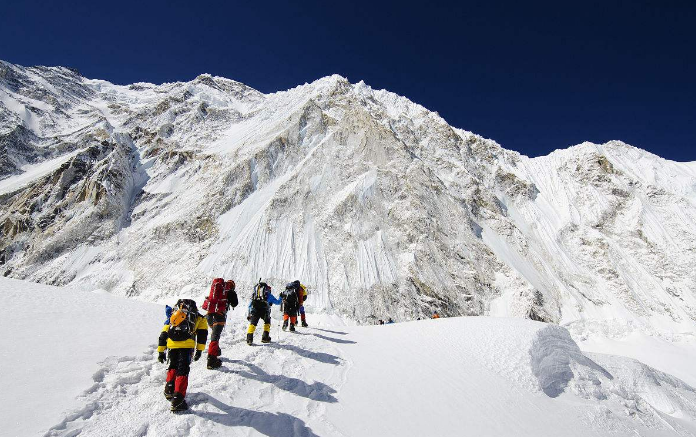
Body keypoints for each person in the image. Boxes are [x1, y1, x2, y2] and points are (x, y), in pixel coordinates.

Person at [157, 299, 208, 412]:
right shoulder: (199, 318)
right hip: (187, 346)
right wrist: (199, 350)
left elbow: (164, 333)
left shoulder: (173, 315)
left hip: (172, 345)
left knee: (173, 366)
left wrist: (161, 351)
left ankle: (169, 390)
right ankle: (178, 400)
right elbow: (202, 335)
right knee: (183, 371)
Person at [203, 278, 238, 369]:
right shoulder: (230, 292)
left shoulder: (217, 289)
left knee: (214, 334)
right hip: (219, 315)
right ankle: (211, 360)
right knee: (215, 336)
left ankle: (216, 350)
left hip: (209, 315)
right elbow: (235, 304)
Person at [246, 280, 281, 345]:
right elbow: (278, 302)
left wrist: (249, 313)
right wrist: (281, 297)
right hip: (265, 311)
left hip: (255, 310)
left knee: (253, 324)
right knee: (267, 322)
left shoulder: (255, 295)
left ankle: (249, 339)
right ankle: (265, 337)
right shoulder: (268, 295)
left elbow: (250, 305)